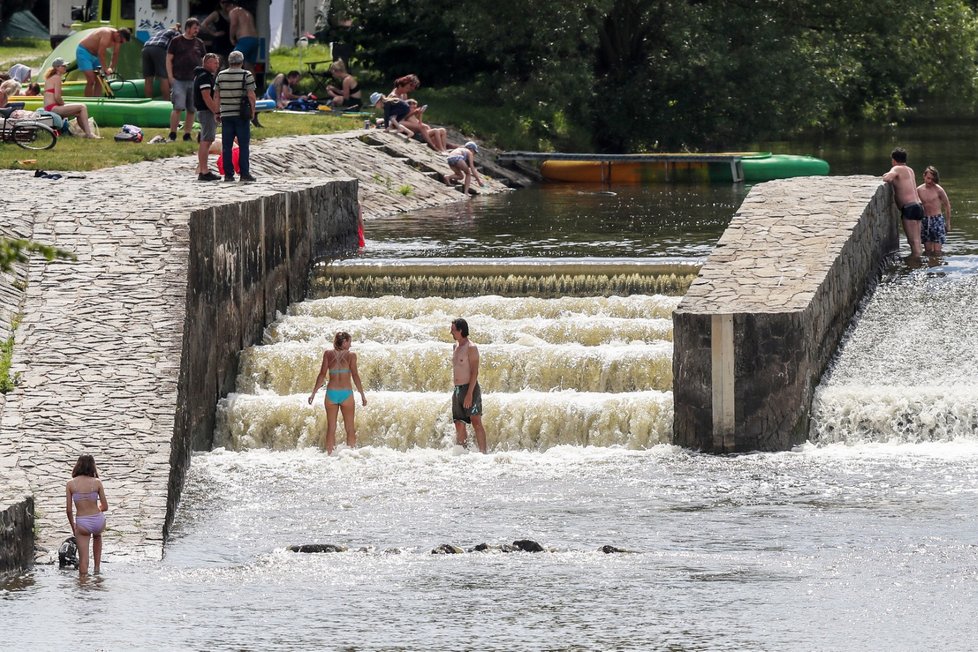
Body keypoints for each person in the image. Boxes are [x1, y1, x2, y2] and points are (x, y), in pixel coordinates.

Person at [308, 331, 367, 454]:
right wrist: (362, 395)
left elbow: (322, 374)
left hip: (331, 394)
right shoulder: (351, 356)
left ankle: (330, 456)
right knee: (350, 428)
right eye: (350, 342)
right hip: (346, 394)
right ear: (345, 342)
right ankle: (350, 455)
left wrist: (313, 393)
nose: (351, 345)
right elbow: (355, 375)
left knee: (331, 428)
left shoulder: (328, 354)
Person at [215, 50, 257, 182]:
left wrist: (217, 111)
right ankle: (244, 173)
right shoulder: (247, 75)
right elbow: (251, 95)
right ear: (242, 62)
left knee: (227, 145)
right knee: (243, 145)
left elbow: (216, 95)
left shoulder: (220, 75)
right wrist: (253, 111)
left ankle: (228, 174)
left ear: (229, 62)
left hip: (226, 115)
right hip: (241, 115)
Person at [65, 454, 108, 576]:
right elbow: (105, 506)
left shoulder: (70, 484)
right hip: (98, 521)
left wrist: (73, 527)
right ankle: (97, 570)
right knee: (97, 537)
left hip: (82, 522)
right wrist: (97, 509)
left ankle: (83, 586)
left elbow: (68, 510)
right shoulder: (97, 483)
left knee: (83, 560)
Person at [166, 18, 207, 142]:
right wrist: (170, 76)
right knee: (178, 107)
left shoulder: (199, 43)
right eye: (195, 28)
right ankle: (172, 134)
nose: (197, 30)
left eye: (198, 28)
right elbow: (168, 59)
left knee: (191, 108)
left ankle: (187, 135)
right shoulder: (176, 41)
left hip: (194, 80)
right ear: (188, 28)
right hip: (178, 79)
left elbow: (204, 59)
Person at [450, 318, 487, 453]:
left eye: (453, 330)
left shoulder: (471, 347)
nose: (451, 332)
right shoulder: (455, 346)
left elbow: (474, 372)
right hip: (457, 390)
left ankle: (483, 453)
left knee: (476, 421)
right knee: (458, 423)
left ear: (460, 330)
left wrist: (469, 394)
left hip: (469, 388)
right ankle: (462, 453)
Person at [43, 59, 100, 138]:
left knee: (79, 112)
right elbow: (57, 97)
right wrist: (63, 104)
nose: (65, 67)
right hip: (53, 107)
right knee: (82, 107)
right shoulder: (57, 78)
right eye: (63, 66)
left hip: (49, 107)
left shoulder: (51, 77)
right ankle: (89, 134)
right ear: (57, 67)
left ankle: (88, 133)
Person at [882, 147, 923, 258]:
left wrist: (886, 174)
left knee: (912, 242)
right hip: (918, 206)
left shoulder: (897, 169)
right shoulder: (910, 170)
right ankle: (920, 262)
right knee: (917, 241)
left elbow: (887, 179)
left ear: (894, 160)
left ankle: (916, 266)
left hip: (909, 208)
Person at [76, 27, 131, 97]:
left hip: (95, 56)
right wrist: (105, 69)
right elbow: (101, 53)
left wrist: (111, 68)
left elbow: (115, 54)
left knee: (100, 79)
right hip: (84, 52)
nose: (120, 43)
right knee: (91, 80)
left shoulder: (118, 40)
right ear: (117, 34)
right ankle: (88, 101)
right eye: (121, 41)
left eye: (122, 43)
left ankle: (96, 100)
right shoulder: (106, 33)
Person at [194, 53, 222, 181]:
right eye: (214, 62)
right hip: (206, 111)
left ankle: (203, 169)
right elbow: (206, 97)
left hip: (205, 111)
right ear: (206, 63)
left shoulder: (205, 76)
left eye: (217, 62)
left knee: (207, 140)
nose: (217, 65)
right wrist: (216, 111)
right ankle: (204, 171)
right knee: (206, 141)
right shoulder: (204, 77)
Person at [917, 165, 952, 255]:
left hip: (937, 220)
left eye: (932, 179)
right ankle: (929, 268)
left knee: (937, 251)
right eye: (928, 178)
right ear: (924, 176)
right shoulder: (919, 190)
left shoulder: (939, 190)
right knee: (928, 251)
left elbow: (947, 205)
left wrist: (948, 223)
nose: (930, 181)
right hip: (925, 220)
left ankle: (938, 267)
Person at [141, 22, 181, 99]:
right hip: (159, 48)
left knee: (148, 78)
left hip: (145, 48)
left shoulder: (161, 31)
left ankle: (148, 101)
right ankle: (166, 102)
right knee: (163, 77)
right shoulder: (177, 33)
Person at [228, 0, 259, 69]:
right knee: (249, 65)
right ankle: (251, 80)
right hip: (254, 40)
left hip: (244, 39)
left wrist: (231, 38)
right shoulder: (248, 13)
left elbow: (234, 24)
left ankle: (233, 79)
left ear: (230, 5)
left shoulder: (234, 11)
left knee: (234, 61)